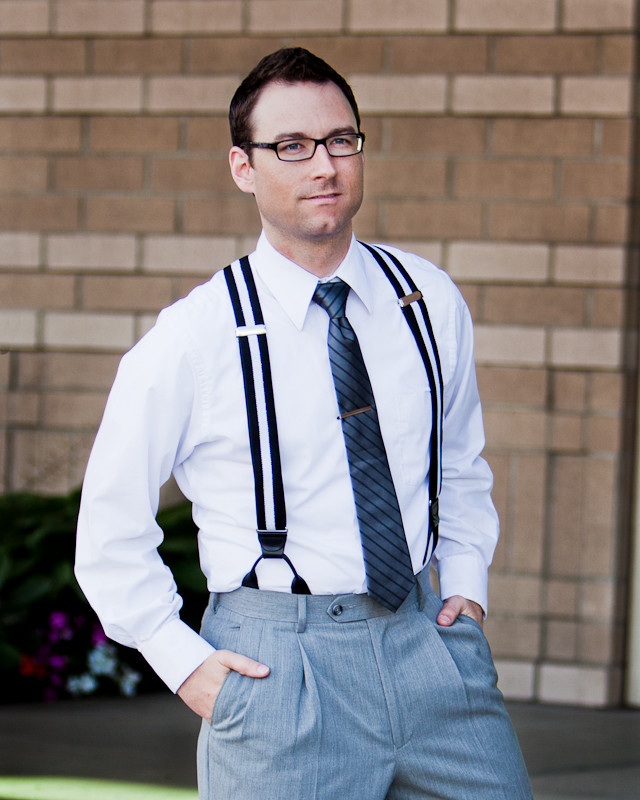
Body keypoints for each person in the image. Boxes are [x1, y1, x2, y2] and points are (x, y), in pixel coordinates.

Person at [75, 47, 533, 799]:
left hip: (432, 648)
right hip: (280, 671)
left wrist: (469, 585)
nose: (323, 165)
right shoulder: (193, 338)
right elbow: (110, 530)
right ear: (243, 167)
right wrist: (183, 664)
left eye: (340, 140)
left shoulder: (428, 300)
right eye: (291, 146)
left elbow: (459, 462)